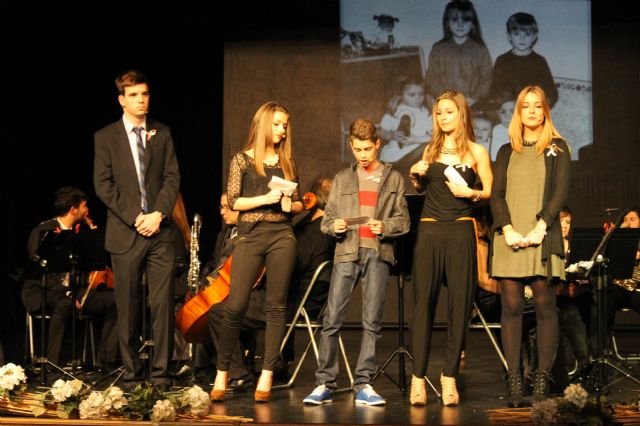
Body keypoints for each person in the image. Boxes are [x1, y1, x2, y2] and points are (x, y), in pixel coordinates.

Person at [303, 119, 409, 407]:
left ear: (378, 144)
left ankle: (364, 383)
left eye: (368, 149)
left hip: (377, 253)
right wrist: (334, 225)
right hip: (346, 252)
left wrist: (384, 226)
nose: (363, 155)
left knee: (371, 322)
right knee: (331, 318)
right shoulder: (342, 179)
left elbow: (404, 221)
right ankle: (324, 382)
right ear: (351, 146)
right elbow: (326, 220)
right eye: (357, 149)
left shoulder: (393, 178)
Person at [94, 70, 180, 390]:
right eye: (134, 95)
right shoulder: (105, 137)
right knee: (127, 309)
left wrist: (157, 214)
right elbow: (103, 186)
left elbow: (172, 178)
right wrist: (136, 217)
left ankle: (160, 374)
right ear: (122, 99)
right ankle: (131, 374)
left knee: (162, 306)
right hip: (126, 233)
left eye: (145, 94)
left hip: (160, 231)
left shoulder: (163, 132)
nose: (141, 100)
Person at [211, 101, 303, 403]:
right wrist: (266, 197)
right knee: (235, 305)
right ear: (264, 124)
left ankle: (266, 375)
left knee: (276, 307)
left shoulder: (286, 162)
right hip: (250, 236)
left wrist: (290, 203)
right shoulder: (242, 160)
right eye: (277, 123)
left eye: (285, 124)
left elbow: (300, 202)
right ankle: (222, 372)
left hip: (282, 235)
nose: (282, 129)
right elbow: (235, 202)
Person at [408, 91, 492, 406]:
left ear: (461, 115)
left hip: (460, 230)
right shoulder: (429, 150)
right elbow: (420, 186)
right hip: (430, 229)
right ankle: (418, 379)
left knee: (459, 306)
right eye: (439, 113)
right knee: (422, 305)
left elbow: (490, 191)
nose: (443, 118)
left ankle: (449, 377)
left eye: (449, 112)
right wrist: (415, 176)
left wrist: (470, 192)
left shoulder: (476, 151)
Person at [490, 86, 570, 406]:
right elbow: (496, 195)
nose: (533, 111)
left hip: (542, 235)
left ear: (545, 111)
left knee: (544, 307)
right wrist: (507, 229)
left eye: (538, 106)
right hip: (509, 237)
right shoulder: (506, 151)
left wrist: (541, 227)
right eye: (526, 106)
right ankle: (514, 379)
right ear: (518, 111)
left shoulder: (557, 147)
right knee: (510, 309)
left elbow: (560, 192)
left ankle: (541, 378)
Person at [22, 187, 118, 372]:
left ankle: (105, 361)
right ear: (73, 209)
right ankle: (51, 365)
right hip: (42, 291)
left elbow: (86, 268)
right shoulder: (43, 231)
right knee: (65, 303)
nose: (87, 210)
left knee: (116, 300)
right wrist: (67, 293)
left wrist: (93, 244)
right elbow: (40, 271)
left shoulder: (80, 233)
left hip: (75, 292)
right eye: (84, 206)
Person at [424, 0, 492, 107]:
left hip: (474, 104)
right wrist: (446, 97)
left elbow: (487, 78)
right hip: (446, 103)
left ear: (473, 25)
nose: (460, 24)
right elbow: (432, 77)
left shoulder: (480, 49)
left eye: (465, 20)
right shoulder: (438, 49)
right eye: (455, 20)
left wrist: (473, 98)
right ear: (447, 24)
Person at [555, 207, 593, 379]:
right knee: (570, 312)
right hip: (557, 296)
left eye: (567, 222)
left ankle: (597, 358)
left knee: (594, 307)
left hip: (576, 293)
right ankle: (585, 362)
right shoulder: (547, 248)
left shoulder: (575, 247)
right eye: (561, 221)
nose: (564, 226)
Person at [490, 12, 558, 109]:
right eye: (517, 34)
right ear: (509, 36)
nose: (522, 38)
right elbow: (494, 91)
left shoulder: (539, 61)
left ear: (534, 37)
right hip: (507, 115)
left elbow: (551, 93)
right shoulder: (502, 61)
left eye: (527, 34)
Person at [379, 76, 433, 164]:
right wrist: (391, 135)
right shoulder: (395, 111)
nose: (417, 98)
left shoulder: (425, 112)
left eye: (421, 94)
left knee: (429, 147)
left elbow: (433, 134)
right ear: (401, 94)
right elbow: (382, 132)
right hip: (398, 154)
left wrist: (416, 139)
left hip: (418, 150)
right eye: (412, 95)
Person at [605, 208, 640, 340]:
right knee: (606, 300)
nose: (628, 223)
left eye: (632, 219)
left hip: (637, 290)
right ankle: (604, 347)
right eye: (625, 220)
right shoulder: (617, 240)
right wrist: (617, 233)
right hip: (619, 288)